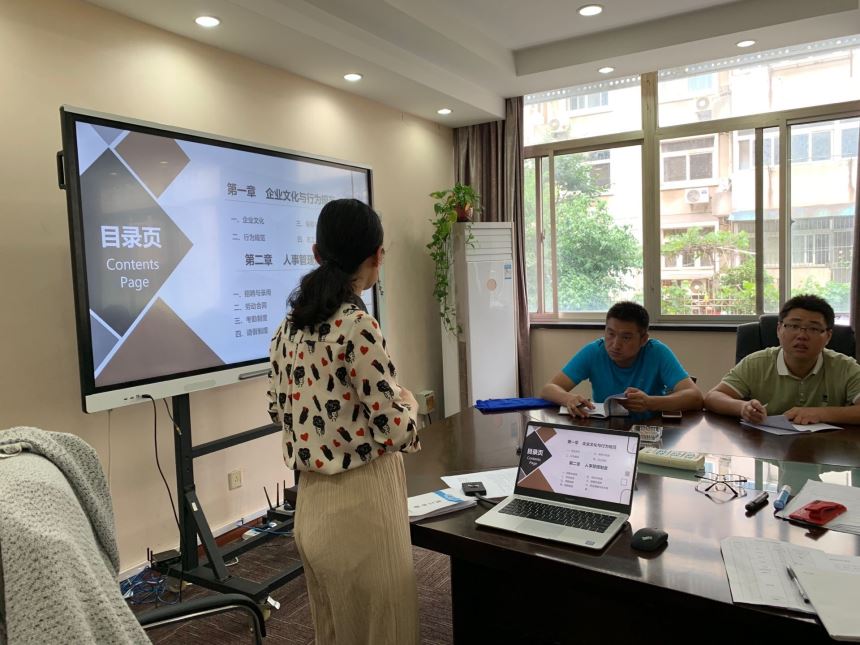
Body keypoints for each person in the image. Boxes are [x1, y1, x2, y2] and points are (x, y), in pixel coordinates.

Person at [267, 198, 421, 645]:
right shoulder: (358, 326)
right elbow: (395, 429)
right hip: (363, 509)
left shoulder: (286, 330)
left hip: (310, 507)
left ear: (317, 253)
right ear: (377, 257)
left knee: (333, 631)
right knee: (385, 633)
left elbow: (278, 410)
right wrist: (409, 404)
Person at [704, 294, 860, 425]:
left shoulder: (845, 367)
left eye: (813, 328)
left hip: (828, 447)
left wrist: (820, 413)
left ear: (828, 336)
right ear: (779, 330)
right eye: (793, 326)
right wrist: (743, 407)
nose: (802, 335)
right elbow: (713, 397)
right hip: (766, 446)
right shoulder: (756, 363)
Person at [540, 301, 703, 417]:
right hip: (607, 432)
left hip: (651, 431)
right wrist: (568, 398)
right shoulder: (594, 351)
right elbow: (548, 389)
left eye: (626, 337)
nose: (615, 344)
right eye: (610, 334)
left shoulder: (657, 352)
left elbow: (695, 397)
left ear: (643, 339)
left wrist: (649, 402)